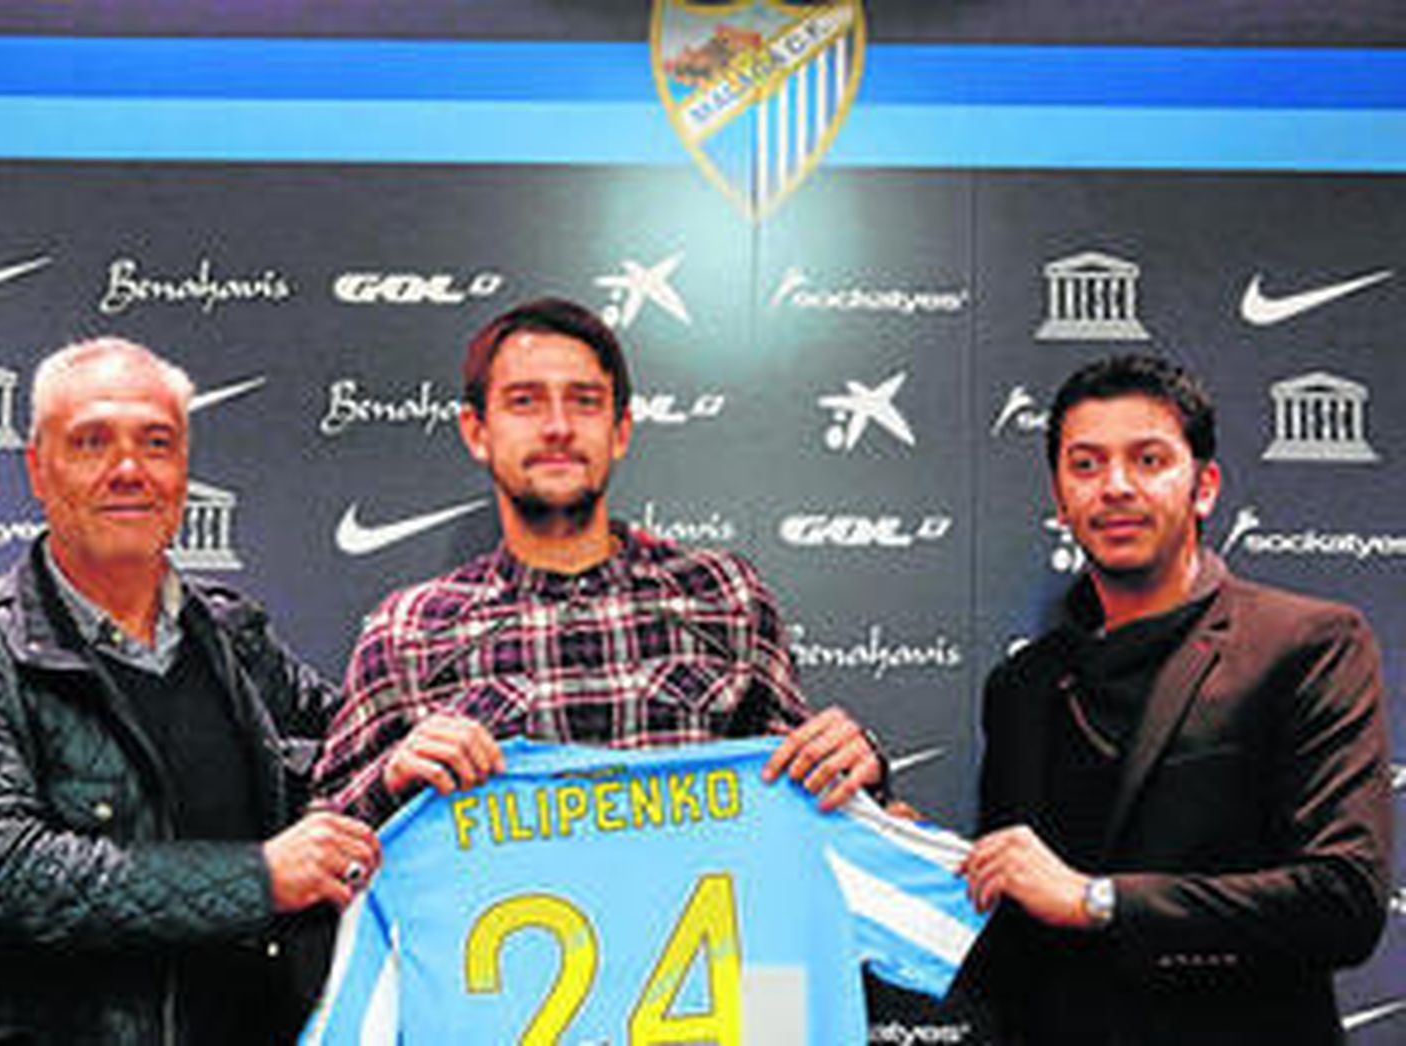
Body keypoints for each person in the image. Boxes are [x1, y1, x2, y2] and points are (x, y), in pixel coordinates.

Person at [0, 337, 381, 1045]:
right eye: (91, 442)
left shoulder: (235, 637)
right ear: (37, 468)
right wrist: (260, 877)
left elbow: (342, 753)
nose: (130, 470)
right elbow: (12, 873)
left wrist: (396, 758)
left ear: (183, 468)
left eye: (157, 443)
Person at [315, 296, 887, 824]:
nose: (558, 427)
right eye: (524, 402)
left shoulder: (726, 597)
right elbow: (322, 836)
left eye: (584, 402)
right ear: (477, 431)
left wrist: (857, 766)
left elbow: (807, 804)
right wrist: (390, 778)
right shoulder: (407, 630)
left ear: (620, 430)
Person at [959, 354, 1390, 1044]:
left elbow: (1342, 900)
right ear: (1060, 496)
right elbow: (1010, 898)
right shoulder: (1021, 686)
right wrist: (888, 831)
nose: (1116, 487)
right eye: (1087, 465)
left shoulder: (1308, 644)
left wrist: (1099, 901)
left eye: (1149, 459)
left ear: (1205, 486)